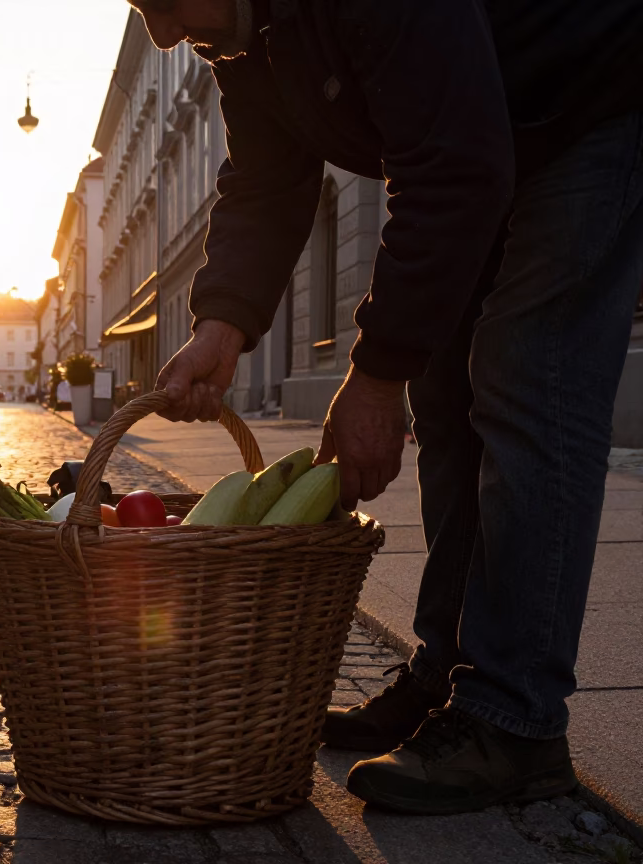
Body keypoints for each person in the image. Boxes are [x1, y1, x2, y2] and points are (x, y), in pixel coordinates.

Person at [128, 0, 643, 814]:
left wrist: (373, 377)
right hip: (487, 129)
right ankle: (447, 678)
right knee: (446, 392)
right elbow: (265, 181)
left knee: (526, 378)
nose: (160, 32)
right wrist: (221, 326)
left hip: (589, 103)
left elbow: (451, 168)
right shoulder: (243, 39)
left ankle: (514, 723)